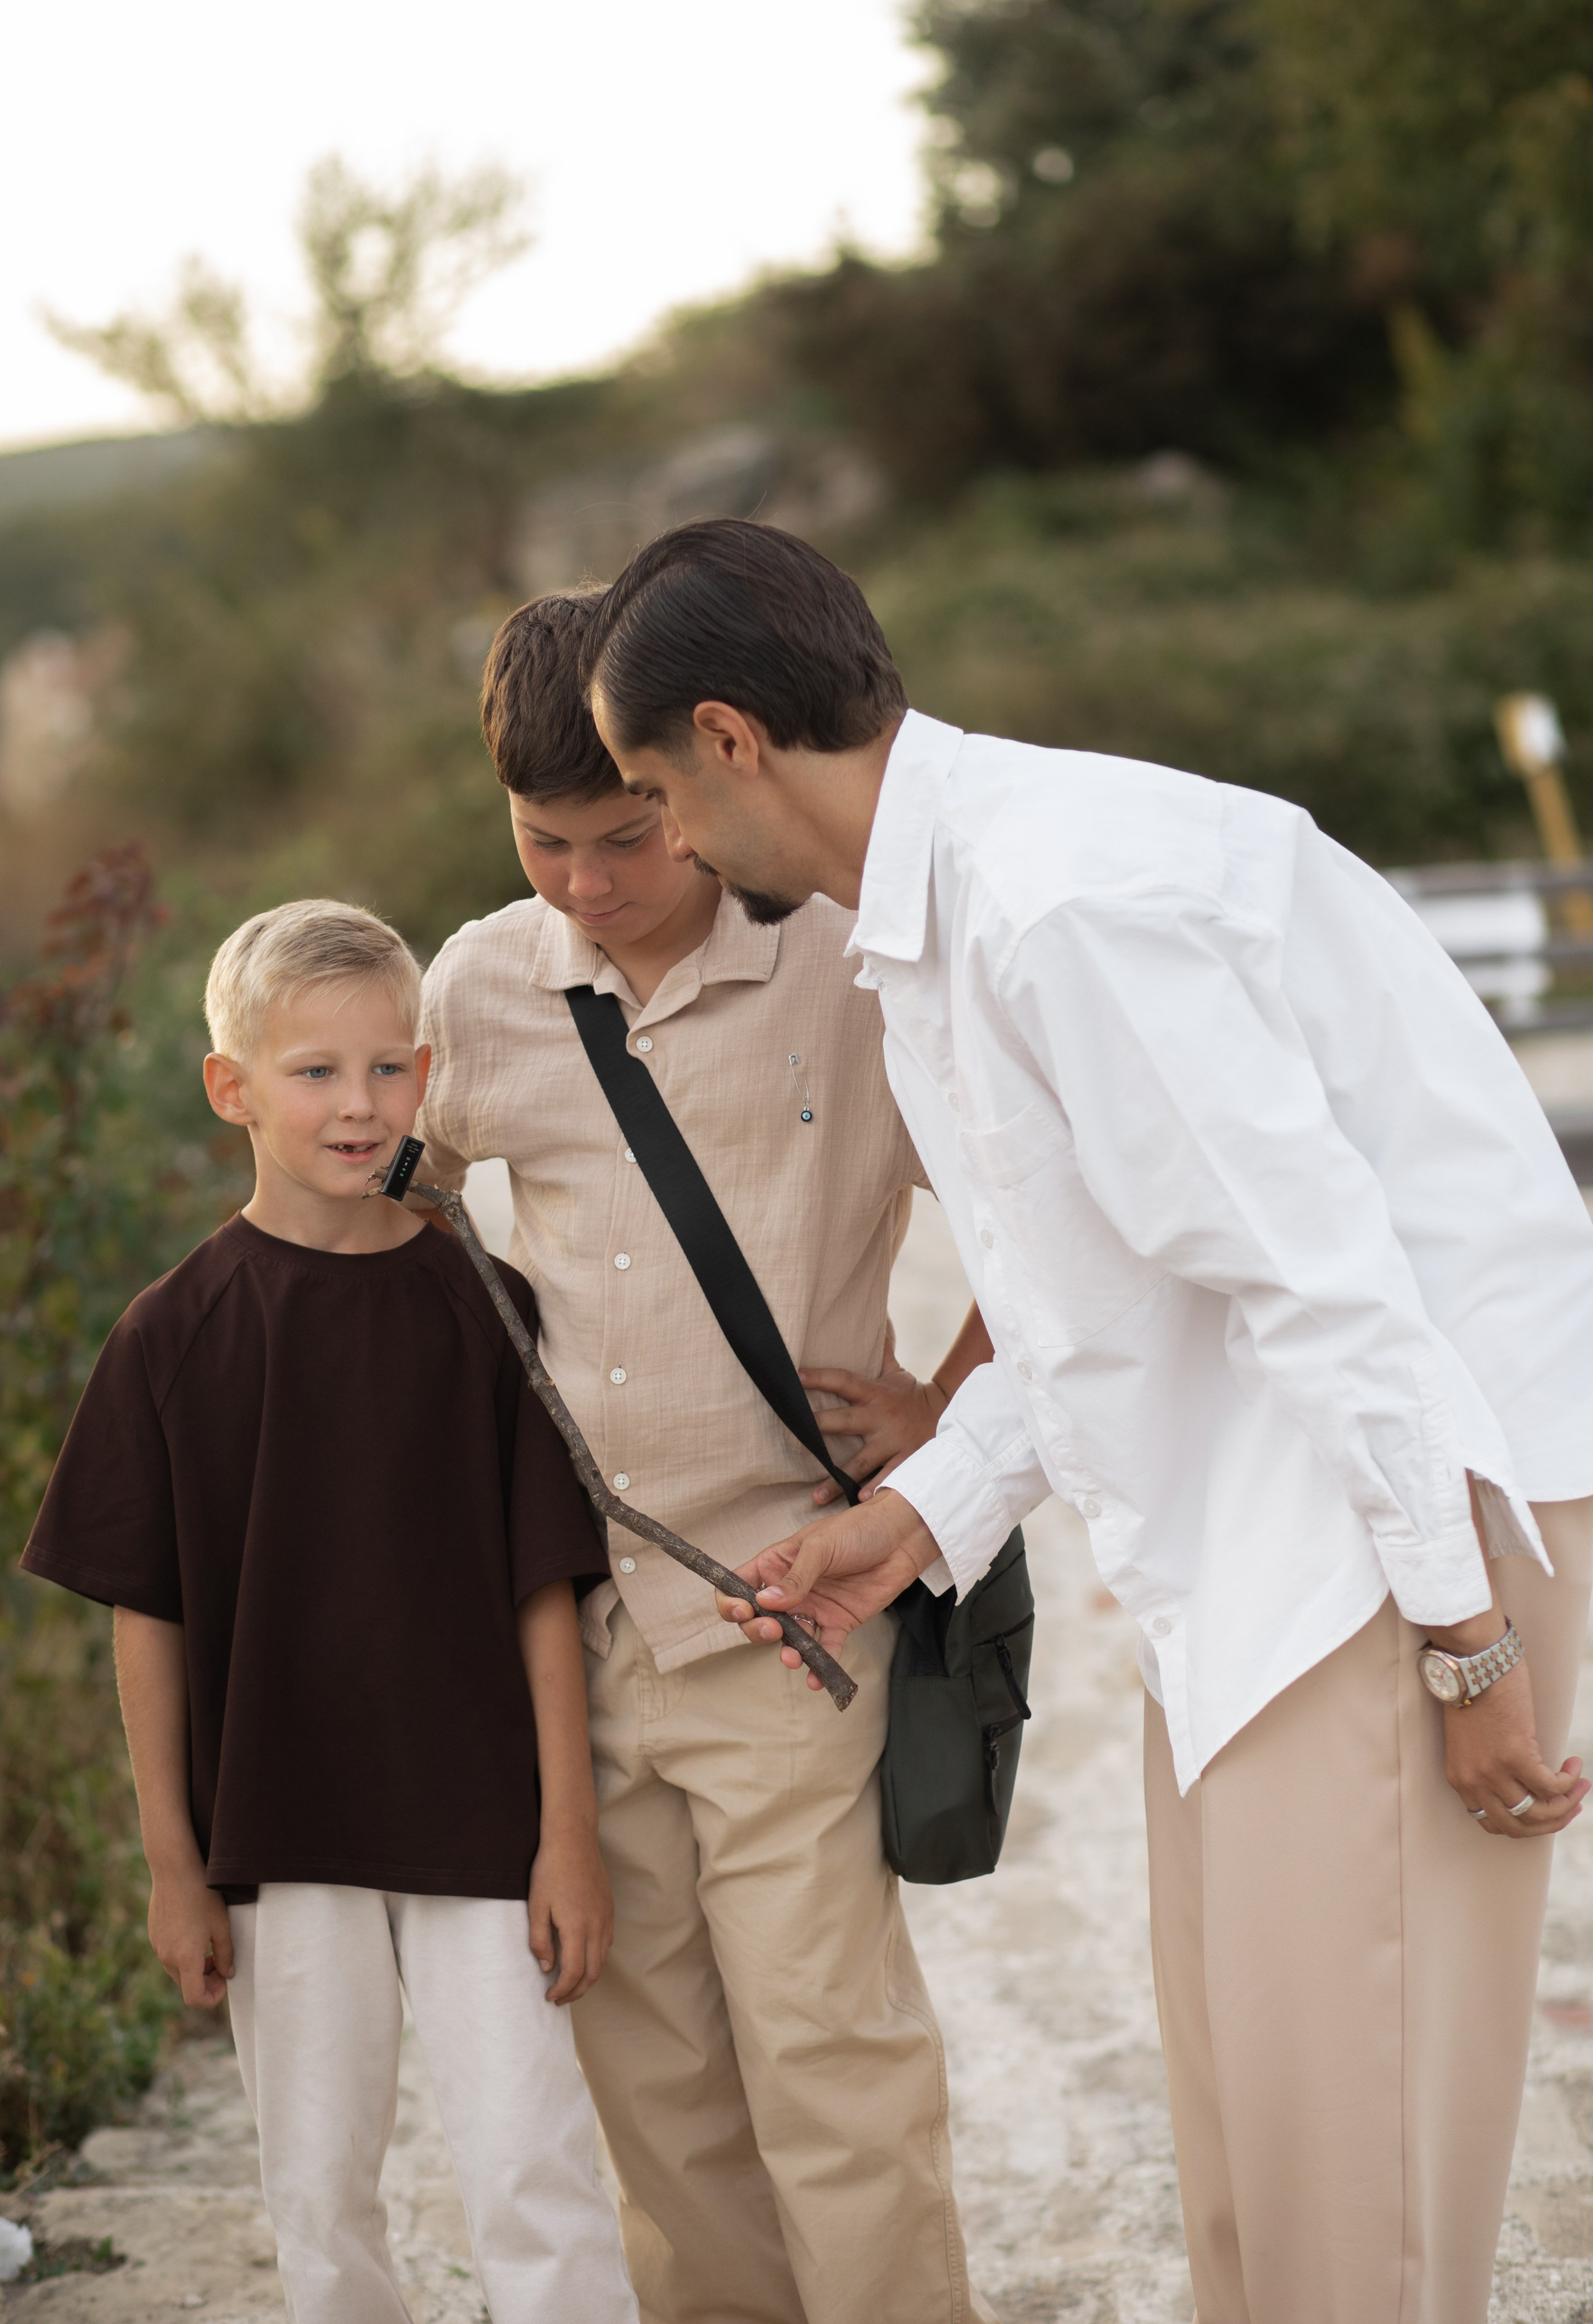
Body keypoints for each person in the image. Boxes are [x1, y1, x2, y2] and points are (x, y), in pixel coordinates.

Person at [579, 518, 1593, 2324]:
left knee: (1350, 2153)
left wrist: (1465, 1642)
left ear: (731, 741)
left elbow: (1322, 1281)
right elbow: (1106, 1301)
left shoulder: (1061, 902)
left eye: (654, 790)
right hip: (1288, 1511)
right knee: (1250, 2111)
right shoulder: (943, 919)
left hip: (1413, 1504)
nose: (662, 840)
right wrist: (922, 1519)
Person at [413, 590, 998, 2324]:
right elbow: (399, 1223)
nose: (586, 884)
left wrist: (944, 1413)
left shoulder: (849, 958)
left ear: (698, 773)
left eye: (625, 835)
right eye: (543, 844)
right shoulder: (475, 982)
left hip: (794, 1607)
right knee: (652, 2085)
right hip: (571, 1619)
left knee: (832, 2065)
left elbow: (1053, 1228)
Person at [21, 900, 638, 2324]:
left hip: (487, 1830)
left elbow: (543, 1583)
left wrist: (569, 1832)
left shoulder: (484, 1305)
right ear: (231, 1088)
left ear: (425, 1074)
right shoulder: (171, 1336)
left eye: (384, 1069)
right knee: (320, 2196)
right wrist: (176, 1865)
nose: (357, 1106)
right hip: (281, 1834)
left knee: (531, 2174)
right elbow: (146, 1619)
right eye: (313, 1072)